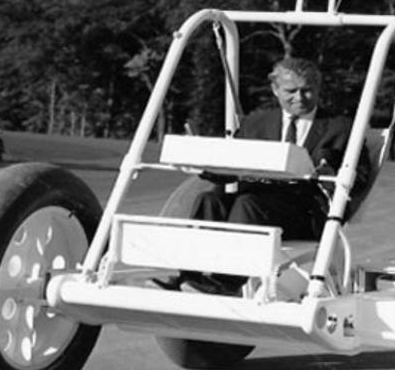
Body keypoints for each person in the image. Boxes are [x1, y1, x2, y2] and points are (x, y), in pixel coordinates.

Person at [153, 57, 371, 294]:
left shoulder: (342, 128)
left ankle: (225, 283)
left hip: (305, 213)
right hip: (256, 202)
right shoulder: (256, 123)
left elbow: (360, 177)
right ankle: (187, 278)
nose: (300, 98)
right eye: (291, 91)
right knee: (209, 201)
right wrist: (201, 159)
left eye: (307, 90)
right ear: (275, 90)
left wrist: (327, 174)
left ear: (318, 89)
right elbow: (229, 168)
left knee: (248, 204)